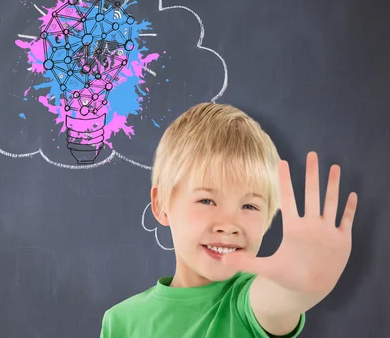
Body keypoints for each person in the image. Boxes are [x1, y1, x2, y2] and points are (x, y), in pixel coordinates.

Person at [100, 102, 358, 337]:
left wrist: (300, 289)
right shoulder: (120, 322)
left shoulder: (248, 302)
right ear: (162, 205)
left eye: (249, 205)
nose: (229, 224)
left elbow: (278, 300)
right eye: (207, 201)